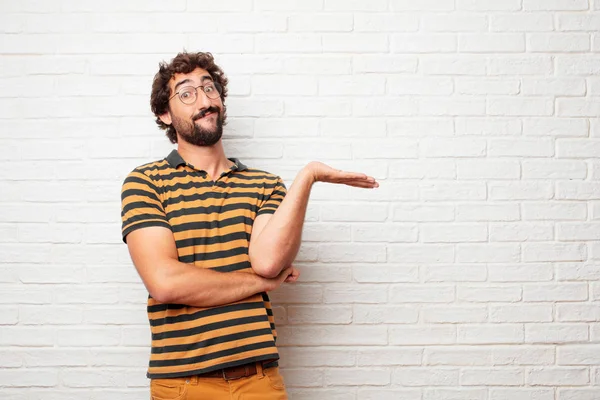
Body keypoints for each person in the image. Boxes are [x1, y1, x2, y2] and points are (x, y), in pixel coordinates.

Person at [120, 51, 378, 400]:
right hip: (183, 384)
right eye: (186, 92)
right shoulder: (146, 182)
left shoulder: (265, 185)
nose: (204, 100)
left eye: (209, 89)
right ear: (165, 114)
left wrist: (308, 175)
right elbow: (165, 283)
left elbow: (268, 262)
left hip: (260, 381)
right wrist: (262, 284)